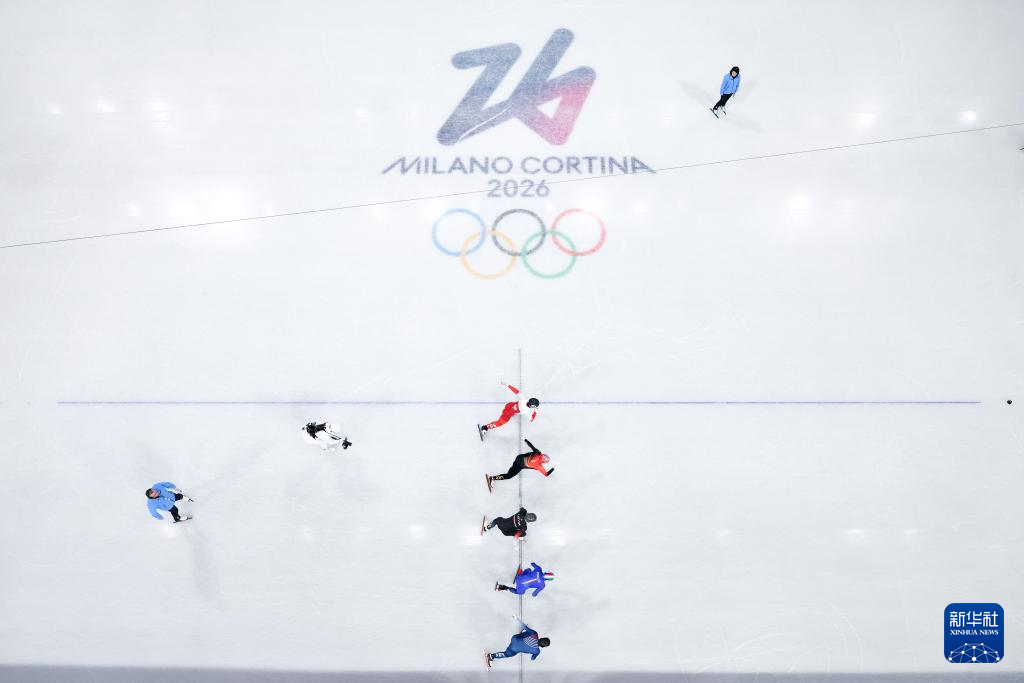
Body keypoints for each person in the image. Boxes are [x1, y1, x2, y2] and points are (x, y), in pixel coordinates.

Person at [486, 439, 554, 491]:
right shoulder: (540, 466)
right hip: (519, 466)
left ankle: (492, 478)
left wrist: (525, 440)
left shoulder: (538, 453)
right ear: (543, 462)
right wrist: (553, 468)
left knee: (511, 473)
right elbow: (546, 474)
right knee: (508, 476)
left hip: (518, 459)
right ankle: (492, 478)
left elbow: (531, 445)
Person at [485, 617, 550, 669]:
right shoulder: (537, 651)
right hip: (513, 649)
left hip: (514, 638)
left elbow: (525, 627)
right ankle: (491, 656)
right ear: (543, 646)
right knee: (507, 654)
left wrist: (516, 618)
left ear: (542, 638)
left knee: (529, 633)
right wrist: (534, 655)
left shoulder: (535, 634)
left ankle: (522, 634)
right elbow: (532, 659)